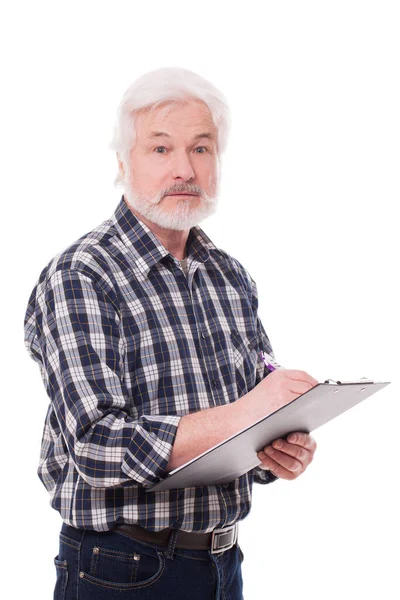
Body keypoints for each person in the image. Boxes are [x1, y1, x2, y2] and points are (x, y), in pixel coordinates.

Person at [24, 66, 318, 600]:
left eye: (201, 149)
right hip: (119, 568)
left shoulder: (230, 276)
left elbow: (254, 402)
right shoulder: (82, 275)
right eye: (161, 150)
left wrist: (277, 447)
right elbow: (95, 444)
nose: (184, 168)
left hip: (224, 563)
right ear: (122, 162)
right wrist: (250, 413)